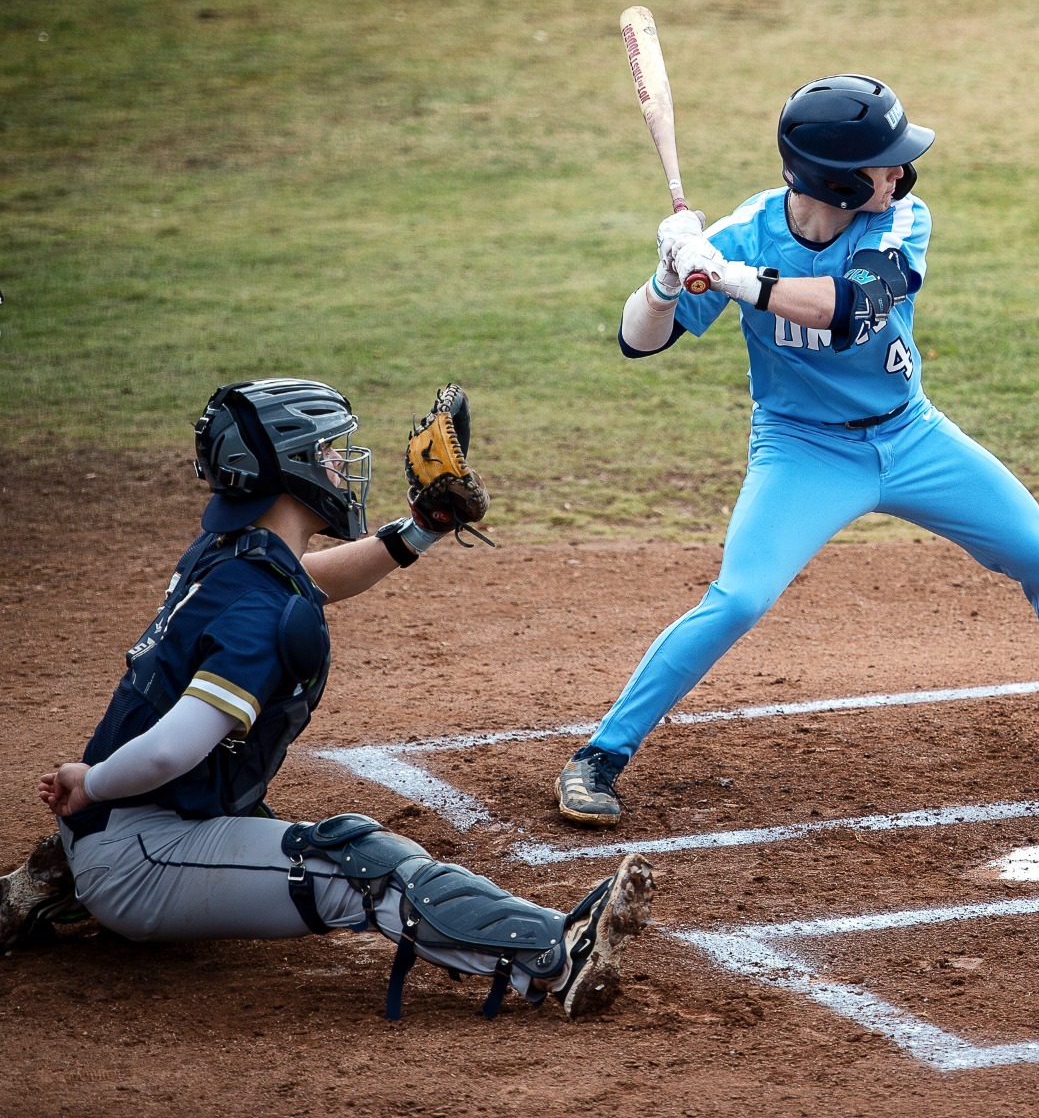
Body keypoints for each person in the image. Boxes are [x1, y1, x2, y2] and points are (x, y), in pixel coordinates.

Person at [555, 74, 1039, 829]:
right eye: (884, 161)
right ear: (837, 177)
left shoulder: (899, 221)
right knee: (739, 599)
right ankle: (600, 754)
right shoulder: (741, 236)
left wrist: (728, 278)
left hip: (911, 434)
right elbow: (636, 341)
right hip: (802, 450)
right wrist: (664, 282)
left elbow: (850, 312)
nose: (901, 171)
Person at [0, 378, 652, 1020]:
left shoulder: (230, 555)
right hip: (139, 849)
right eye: (332, 452)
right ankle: (557, 955)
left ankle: (60, 881)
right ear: (294, 466)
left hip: (144, 821)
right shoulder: (258, 606)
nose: (343, 466)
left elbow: (311, 582)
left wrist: (421, 528)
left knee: (282, 830)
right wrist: (91, 781)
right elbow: (174, 747)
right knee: (357, 864)